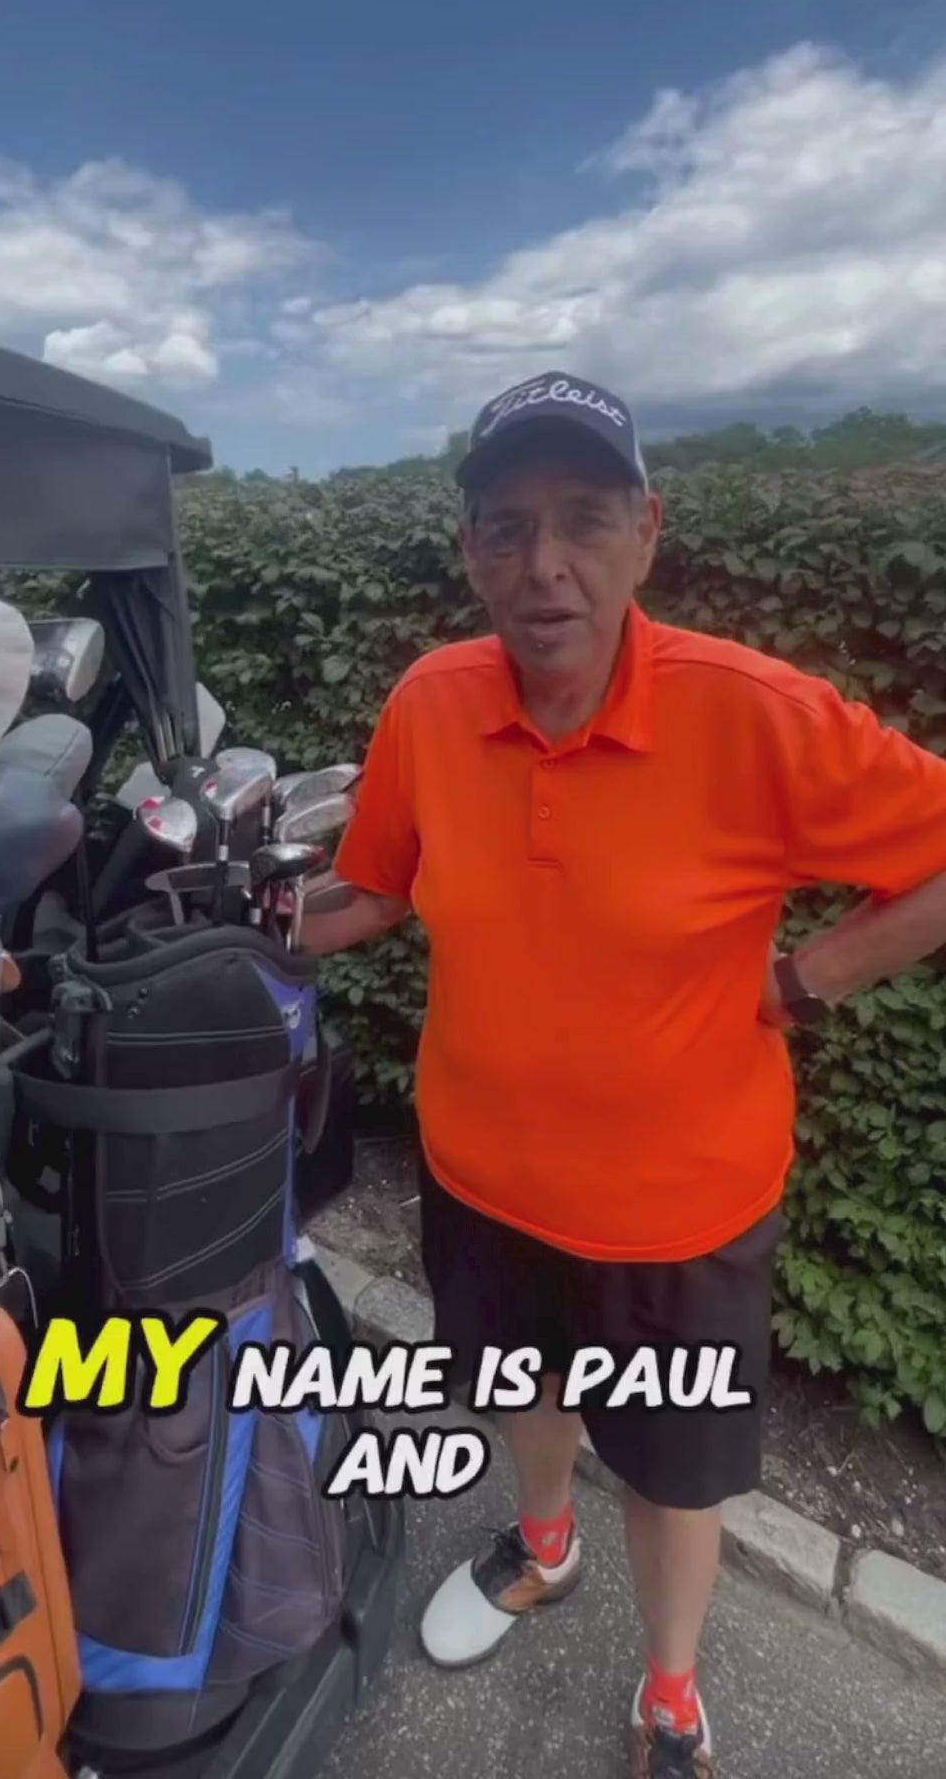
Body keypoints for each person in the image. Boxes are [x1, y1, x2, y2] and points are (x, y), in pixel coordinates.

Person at [298, 370, 946, 1778]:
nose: (546, 563)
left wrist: (806, 979)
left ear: (648, 533)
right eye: (507, 526)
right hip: (482, 1177)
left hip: (677, 1217)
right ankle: (543, 1548)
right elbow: (377, 887)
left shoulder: (753, 713)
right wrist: (238, 924)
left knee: (668, 1469)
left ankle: (669, 1693)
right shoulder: (430, 702)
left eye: (585, 518)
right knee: (523, 1385)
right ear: (470, 551)